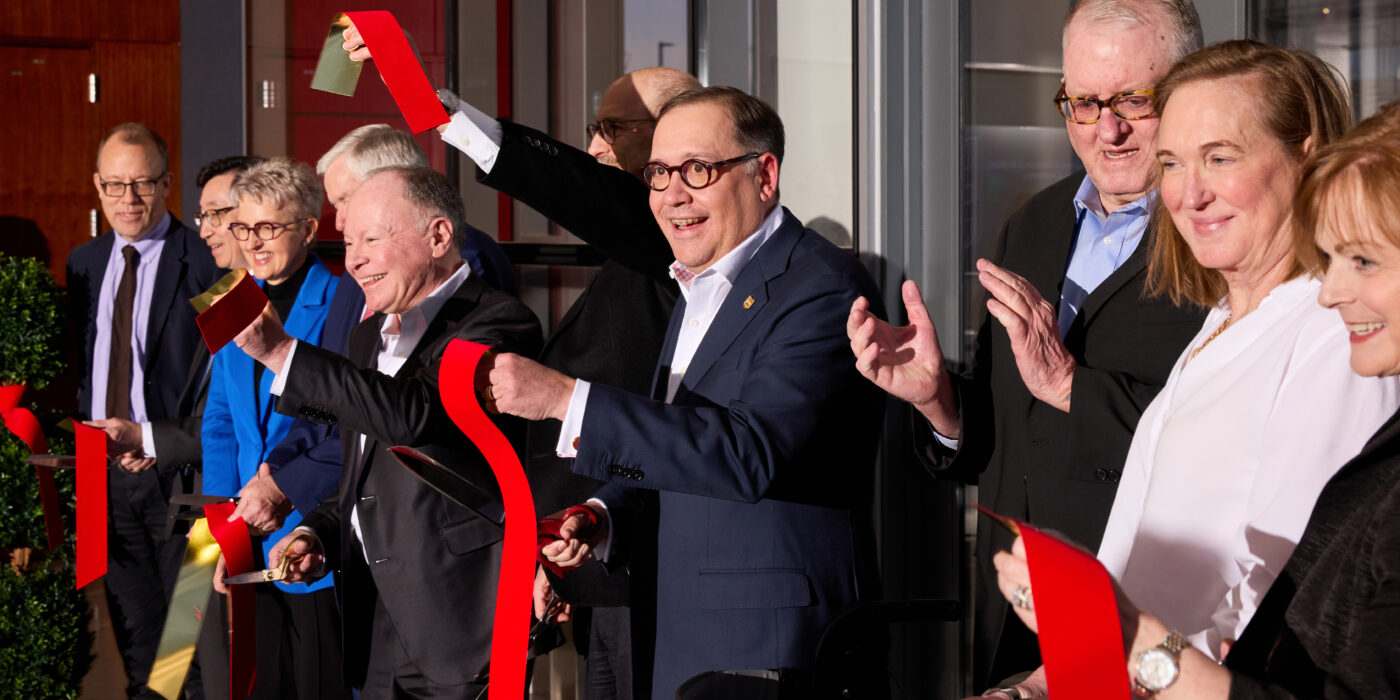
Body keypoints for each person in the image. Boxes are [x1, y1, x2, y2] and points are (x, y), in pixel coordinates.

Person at [845, 0, 1207, 688]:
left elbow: (1224, 443)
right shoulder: (1035, 222)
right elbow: (1013, 432)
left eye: (1135, 97)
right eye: (1083, 102)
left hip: (1148, 617)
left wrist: (1072, 384)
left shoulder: (1218, 232)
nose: (1111, 129)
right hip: (1018, 605)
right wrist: (941, 401)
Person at [482, 86, 886, 699]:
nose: (673, 193)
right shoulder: (699, 284)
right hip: (679, 635)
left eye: (698, 169)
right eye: (659, 173)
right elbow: (677, 441)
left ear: (765, 175)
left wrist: (569, 400)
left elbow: (746, 452)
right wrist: (604, 513)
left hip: (768, 650)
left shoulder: (821, 287)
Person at [991, 100, 1400, 699]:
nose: (1334, 290)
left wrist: (1134, 646)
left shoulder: (1323, 344)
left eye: (1362, 259)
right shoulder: (1216, 320)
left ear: (1301, 155)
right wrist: (1039, 685)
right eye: (1174, 163)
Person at [342, 25, 699, 698]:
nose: (596, 144)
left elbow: (585, 191)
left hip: (641, 560)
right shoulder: (633, 262)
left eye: (614, 127)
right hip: (586, 555)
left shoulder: (669, 245)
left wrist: (437, 108)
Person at [250, 166, 543, 698]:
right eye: (347, 241)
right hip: (373, 616)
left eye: (371, 238)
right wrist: (317, 531)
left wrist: (281, 353)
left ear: (438, 236)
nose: (354, 258)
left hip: (461, 623)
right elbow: (363, 472)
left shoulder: (498, 322)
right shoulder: (365, 338)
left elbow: (417, 416)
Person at [65, 122, 222, 700]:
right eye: (115, 185)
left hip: (185, 480)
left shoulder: (204, 263)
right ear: (97, 186)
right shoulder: (83, 263)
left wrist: (155, 439)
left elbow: (225, 380)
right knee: (138, 648)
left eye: (143, 184)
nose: (128, 199)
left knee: (190, 651)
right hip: (105, 481)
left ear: (166, 183)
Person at [199, 157, 347, 698]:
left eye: (268, 227)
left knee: (315, 682)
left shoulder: (342, 303)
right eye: (242, 227)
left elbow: (337, 421)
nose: (253, 242)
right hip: (243, 528)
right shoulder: (229, 298)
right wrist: (222, 524)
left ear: (309, 228)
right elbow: (218, 421)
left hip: (310, 531)